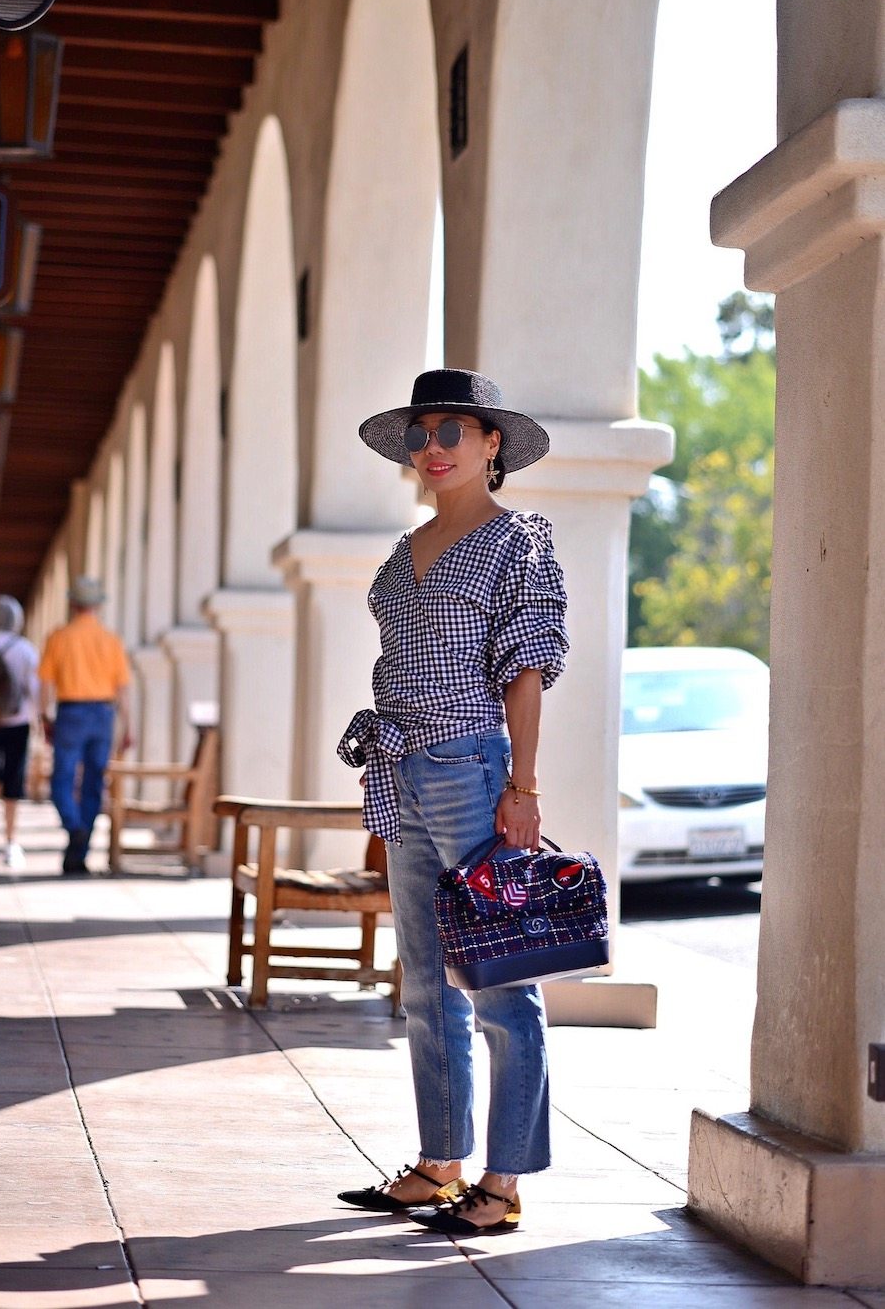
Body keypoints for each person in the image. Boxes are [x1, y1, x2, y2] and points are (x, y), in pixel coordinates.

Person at [336, 368, 569, 1235]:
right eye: (422, 433)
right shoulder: (404, 552)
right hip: (398, 769)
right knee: (428, 983)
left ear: (491, 443)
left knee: (500, 984)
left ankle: (502, 1184)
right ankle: (441, 1164)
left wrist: (523, 786)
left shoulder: (519, 541)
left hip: (471, 768)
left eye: (451, 432)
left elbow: (527, 669)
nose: (431, 448)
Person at [39, 576, 132, 876]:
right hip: (103, 714)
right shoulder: (111, 640)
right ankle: (79, 849)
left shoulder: (59, 637)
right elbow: (123, 690)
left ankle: (74, 829)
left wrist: (44, 716)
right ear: (98, 605)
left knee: (62, 780)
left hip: (71, 713)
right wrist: (128, 726)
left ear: (72, 603)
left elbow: (45, 683)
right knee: (93, 783)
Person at [0, 595, 40, 869]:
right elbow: (34, 691)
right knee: (13, 781)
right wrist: (40, 721)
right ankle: (10, 841)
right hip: (18, 723)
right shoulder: (25, 649)